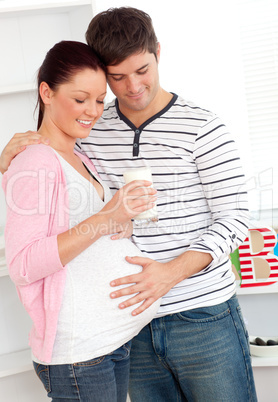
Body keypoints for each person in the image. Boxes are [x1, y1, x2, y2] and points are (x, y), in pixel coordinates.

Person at [0, 7, 257, 402]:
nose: (133, 87)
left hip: (201, 315)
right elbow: (50, 176)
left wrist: (171, 273)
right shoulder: (90, 125)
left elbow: (237, 217)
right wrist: (9, 155)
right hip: (127, 326)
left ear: (157, 52)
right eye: (117, 78)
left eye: (142, 70)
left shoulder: (202, 127)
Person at [2, 40, 160, 402]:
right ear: (46, 91)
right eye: (80, 99)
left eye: (99, 99)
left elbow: (81, 231)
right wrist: (107, 217)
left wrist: (121, 222)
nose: (93, 111)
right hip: (80, 355)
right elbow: (24, 264)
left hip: (109, 343)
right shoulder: (37, 160)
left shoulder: (79, 156)